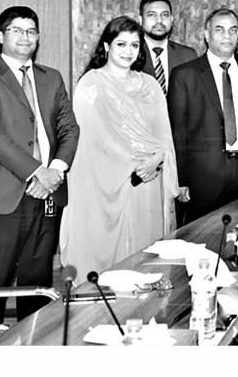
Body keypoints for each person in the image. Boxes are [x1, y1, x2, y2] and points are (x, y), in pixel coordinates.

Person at [59, 16, 179, 279]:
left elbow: (164, 135)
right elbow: (95, 138)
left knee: (144, 253)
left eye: (134, 45)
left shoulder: (150, 85)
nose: (128, 51)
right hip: (107, 181)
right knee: (107, 258)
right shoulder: (91, 84)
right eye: (121, 44)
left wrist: (157, 159)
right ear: (106, 46)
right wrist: (136, 163)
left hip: (148, 180)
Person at [0, 6, 80, 323]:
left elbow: (70, 129)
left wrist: (55, 171)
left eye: (31, 31)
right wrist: (38, 172)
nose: (25, 36)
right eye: (16, 30)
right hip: (4, 198)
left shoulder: (51, 78)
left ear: (38, 37)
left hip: (49, 194)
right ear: (0, 36)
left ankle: (36, 346)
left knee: (38, 285)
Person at [167, 8, 238, 224]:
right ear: (207, 35)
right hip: (204, 178)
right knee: (203, 236)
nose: (227, 36)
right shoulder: (185, 75)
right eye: (219, 30)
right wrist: (182, 180)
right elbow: (178, 132)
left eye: (233, 30)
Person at [138, 0, 198, 94]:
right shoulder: (131, 54)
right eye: (151, 15)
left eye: (165, 15)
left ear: (171, 19)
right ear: (140, 20)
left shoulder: (188, 55)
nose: (159, 20)